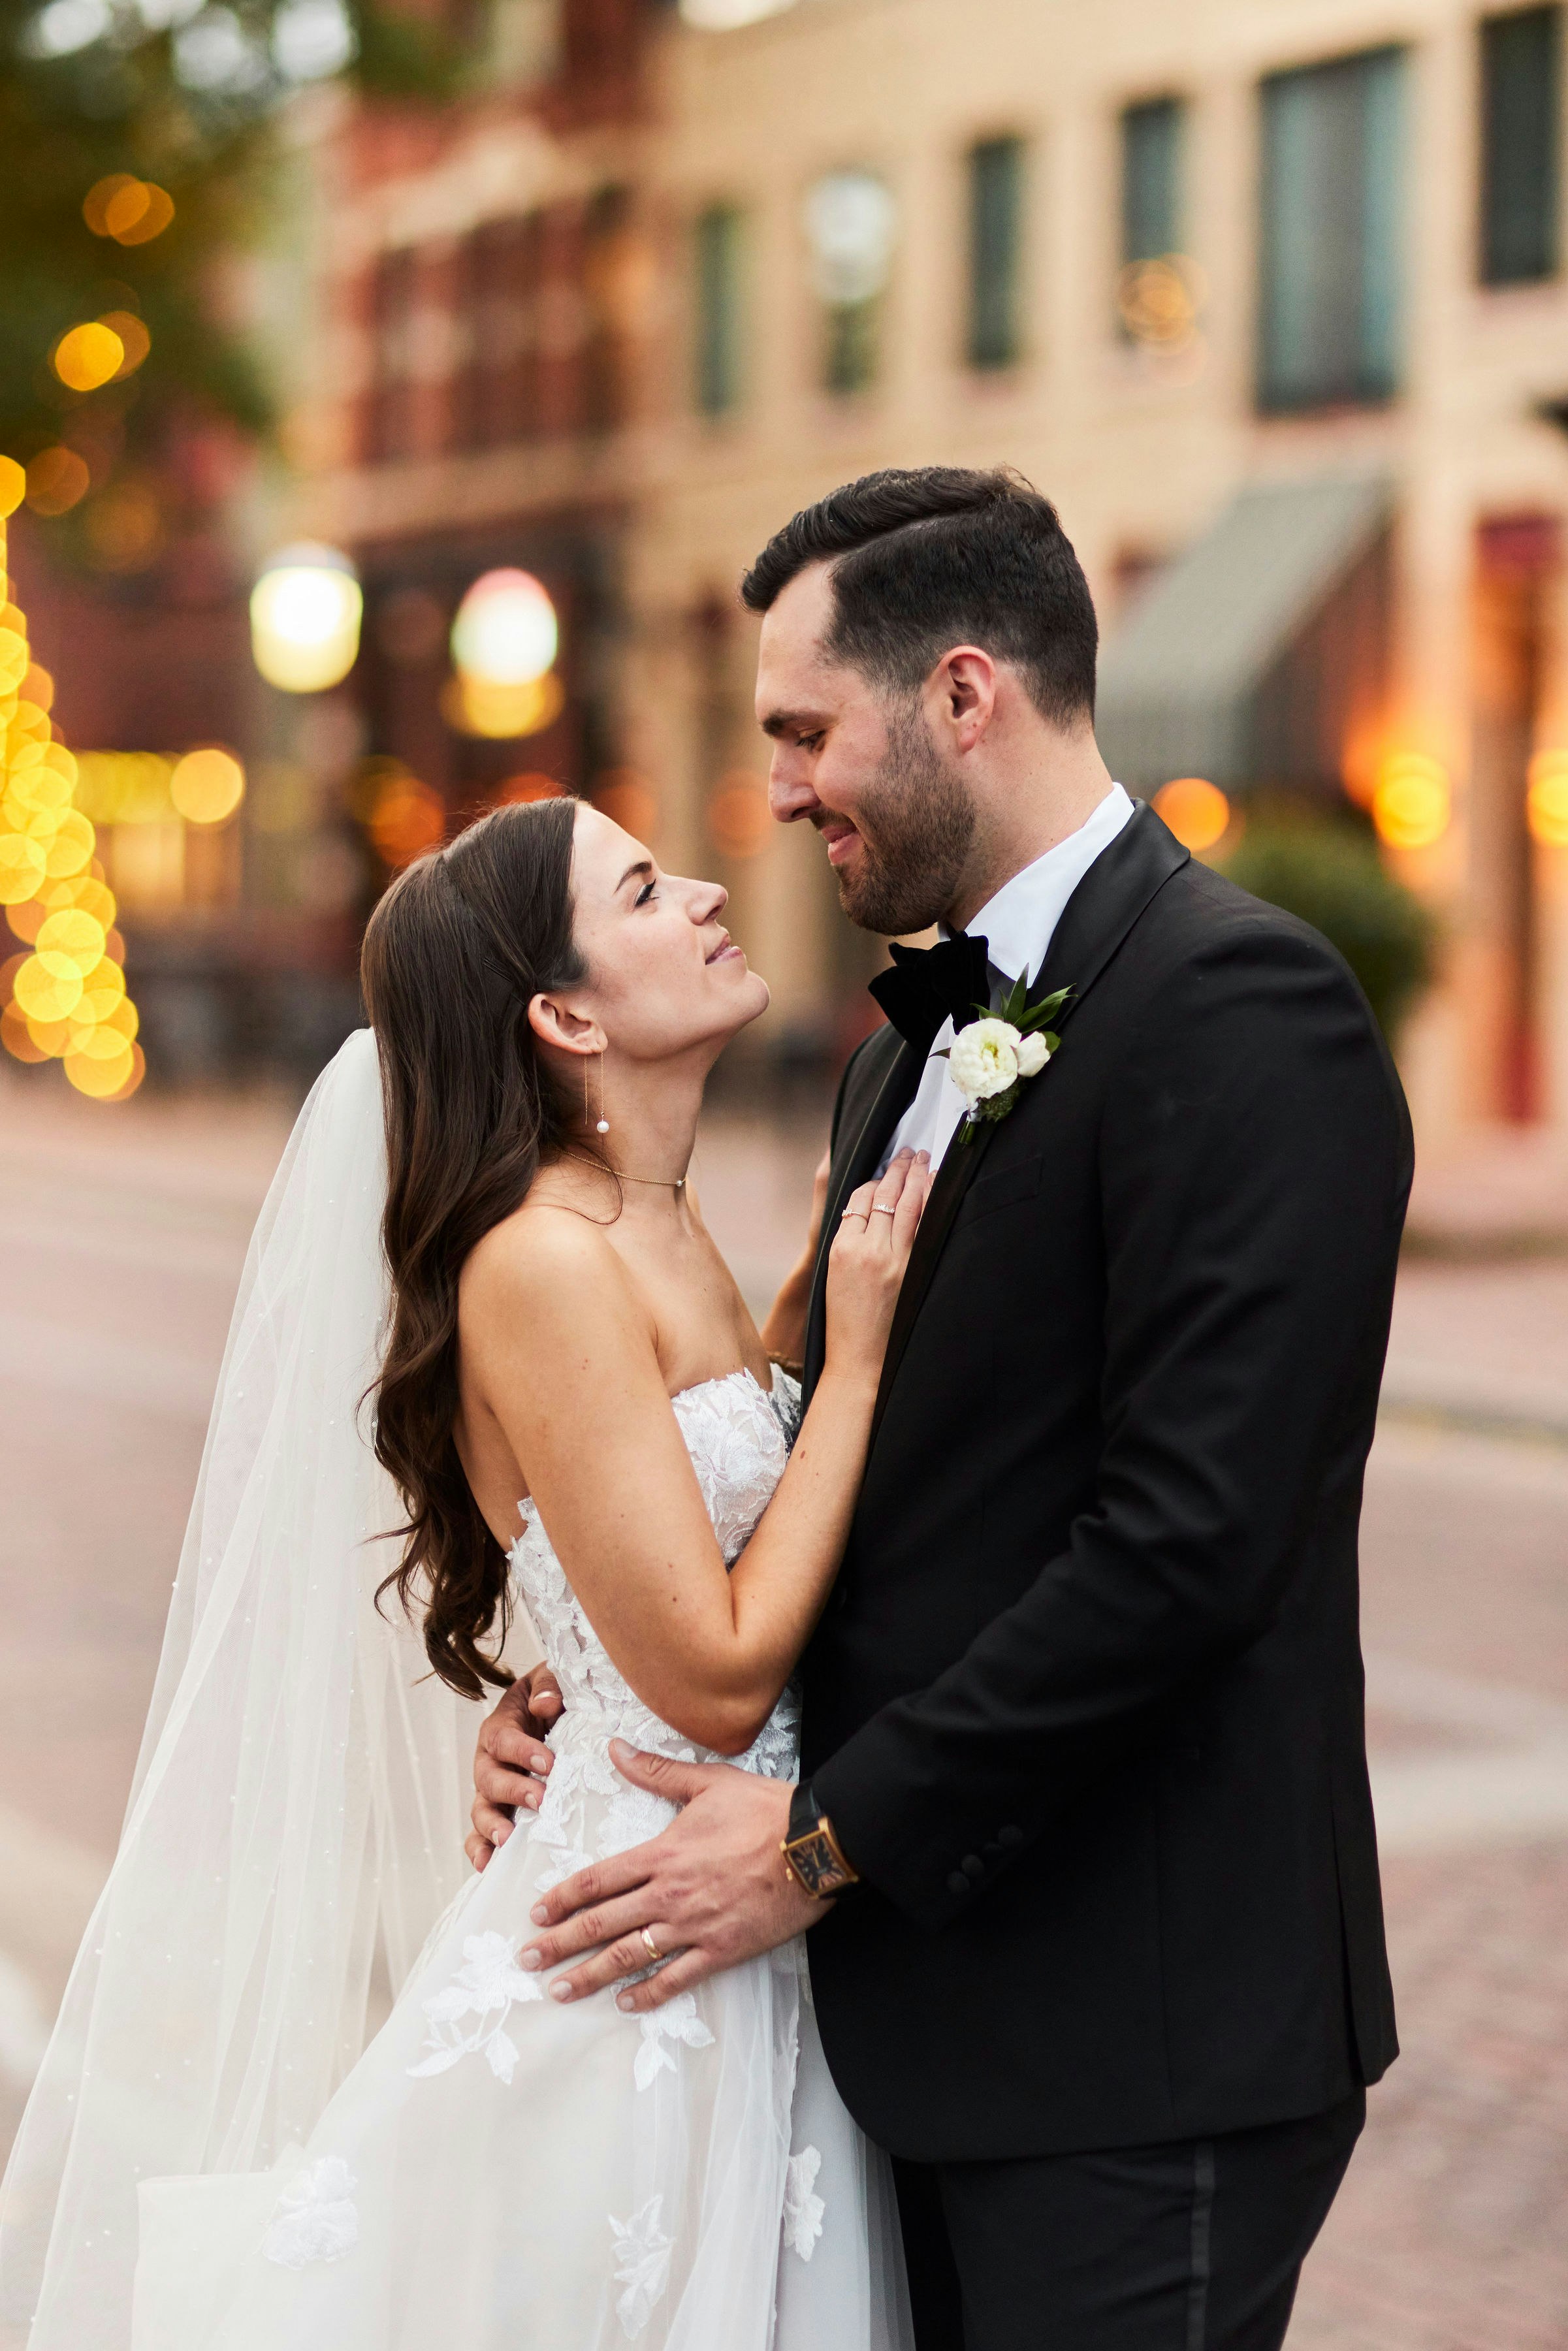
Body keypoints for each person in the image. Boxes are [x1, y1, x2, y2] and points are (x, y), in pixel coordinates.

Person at [480, 469, 1415, 2351]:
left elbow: (1187, 1550)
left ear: (963, 696)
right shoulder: (891, 1054)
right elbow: (856, 1482)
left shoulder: (1245, 1011)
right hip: (890, 2035)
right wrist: (587, 1701)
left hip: (1134, 2046)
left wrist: (824, 1841)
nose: (782, 793)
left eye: (806, 733)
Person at [0, 794, 922, 2348]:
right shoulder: (544, 1260)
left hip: (729, 1916)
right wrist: (860, 1367)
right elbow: (709, 1667)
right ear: (564, 1012)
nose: (702, 890)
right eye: (642, 887)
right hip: (635, 1951)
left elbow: (704, 1501)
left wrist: (808, 1334)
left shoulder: (662, 1227)